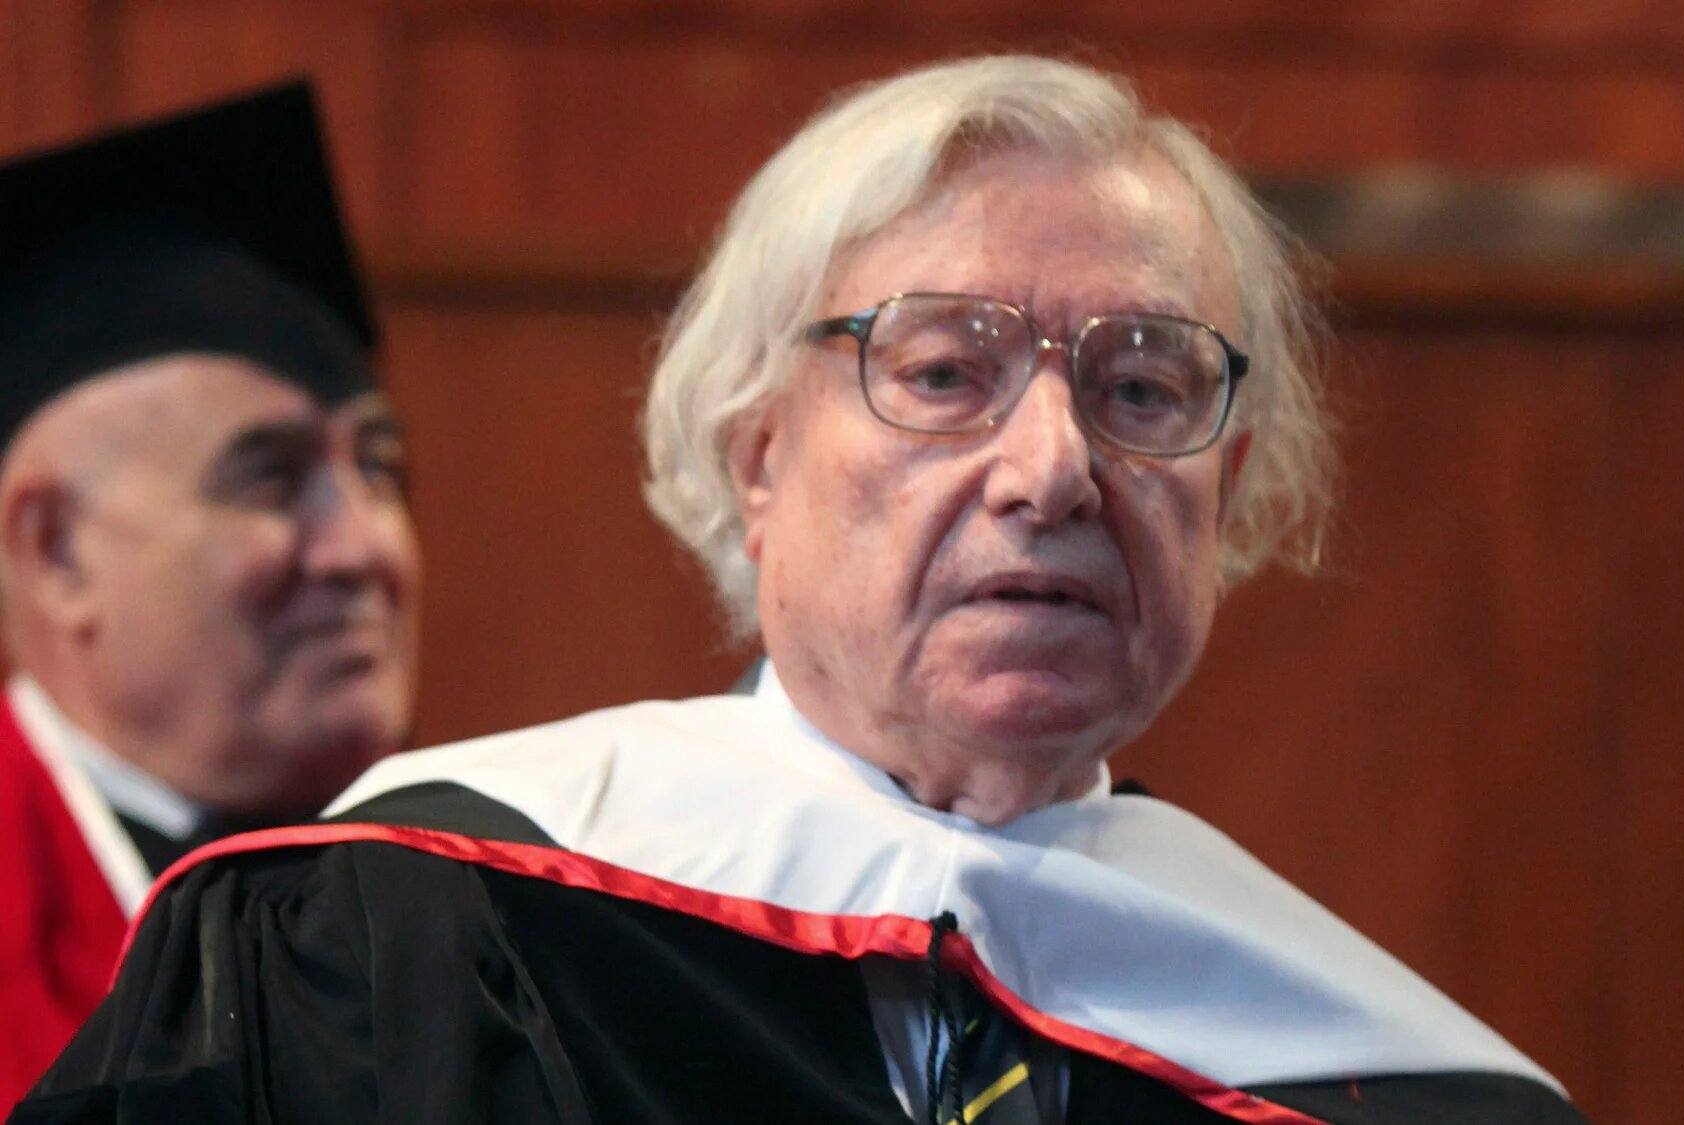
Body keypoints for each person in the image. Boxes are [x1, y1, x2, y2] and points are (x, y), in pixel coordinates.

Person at [15, 57, 1582, 1124]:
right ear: (757, 454)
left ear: (1223, 494)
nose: (1053, 469)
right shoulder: (411, 933)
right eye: (945, 371)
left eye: (1144, 389)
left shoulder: (1381, 1079)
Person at [0, 85, 420, 1106]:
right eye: (268, 481)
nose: (363, 546)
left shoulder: (473, 883)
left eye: (378, 469)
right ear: (56, 551)